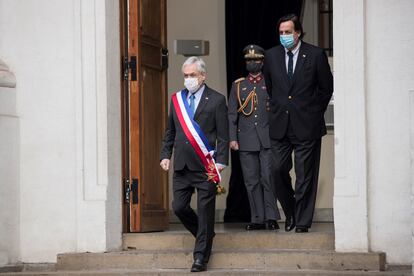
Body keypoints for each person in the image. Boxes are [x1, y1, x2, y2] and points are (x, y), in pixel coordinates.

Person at [263, 14, 333, 233]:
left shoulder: (315, 54)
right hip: (280, 124)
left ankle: (302, 221)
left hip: (307, 124)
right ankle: (291, 210)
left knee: (305, 176)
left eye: (288, 32)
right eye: (281, 32)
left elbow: (326, 88)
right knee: (276, 170)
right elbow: (272, 88)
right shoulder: (271, 56)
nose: (284, 36)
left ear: (298, 32)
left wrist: (313, 112)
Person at [160, 56, 229, 272]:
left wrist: (221, 162)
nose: (188, 79)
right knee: (179, 207)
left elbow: (224, 136)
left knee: (205, 210)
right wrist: (165, 155)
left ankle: (200, 257)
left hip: (206, 166)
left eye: (192, 75)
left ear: (203, 76)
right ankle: (205, 233)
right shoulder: (177, 100)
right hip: (181, 164)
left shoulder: (217, 100)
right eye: (186, 75)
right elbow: (170, 131)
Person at [228, 44, 280, 231]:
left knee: (268, 178)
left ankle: (271, 217)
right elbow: (232, 115)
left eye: (255, 60)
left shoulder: (270, 82)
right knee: (251, 181)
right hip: (246, 140)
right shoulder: (238, 85)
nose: (252, 63)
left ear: (262, 62)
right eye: (249, 60)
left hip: (267, 138)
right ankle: (257, 218)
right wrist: (232, 139)